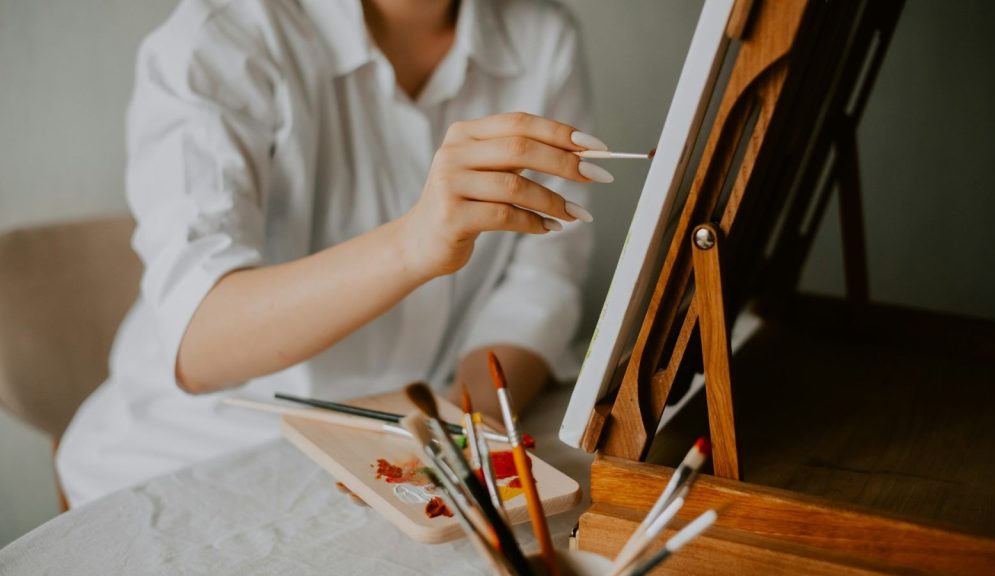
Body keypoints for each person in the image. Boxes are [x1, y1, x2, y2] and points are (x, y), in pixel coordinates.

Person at [56, 0, 610, 508]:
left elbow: (541, 279)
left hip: (413, 437)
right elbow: (199, 341)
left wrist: (468, 415)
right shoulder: (221, 35)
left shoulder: (545, 38)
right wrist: (414, 243)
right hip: (200, 451)